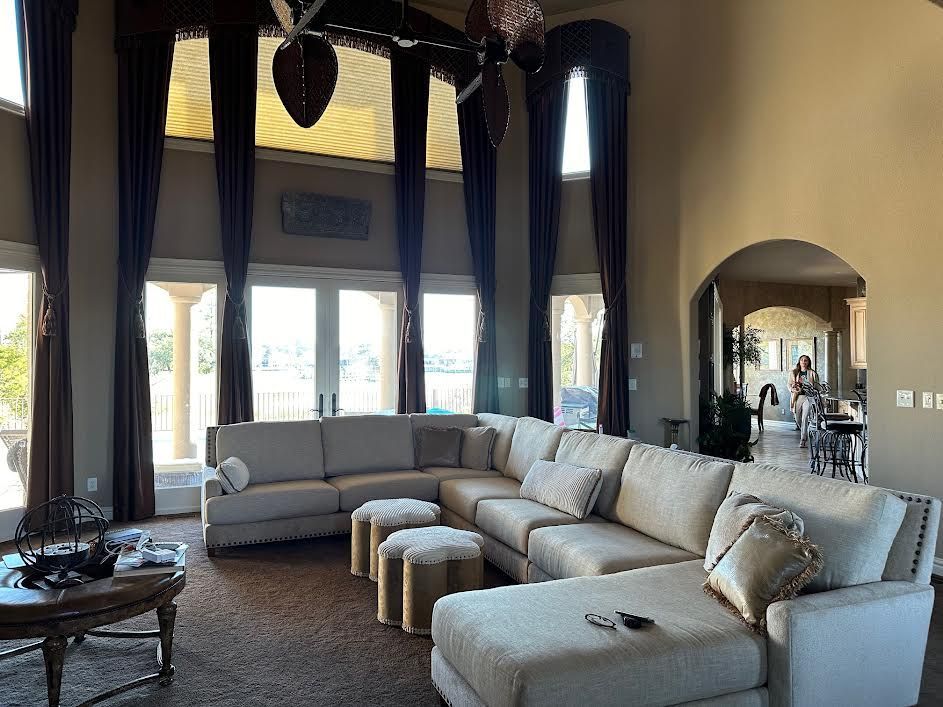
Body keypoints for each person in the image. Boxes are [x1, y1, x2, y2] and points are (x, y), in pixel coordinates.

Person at [789, 355, 820, 448]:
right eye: (802, 360)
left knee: (805, 417)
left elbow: (817, 386)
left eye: (805, 360)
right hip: (797, 397)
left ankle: (803, 440)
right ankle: (805, 432)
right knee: (798, 418)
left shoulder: (812, 373)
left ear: (808, 362)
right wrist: (793, 388)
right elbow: (789, 384)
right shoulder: (794, 372)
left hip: (808, 397)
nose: (803, 362)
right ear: (799, 362)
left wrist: (814, 392)